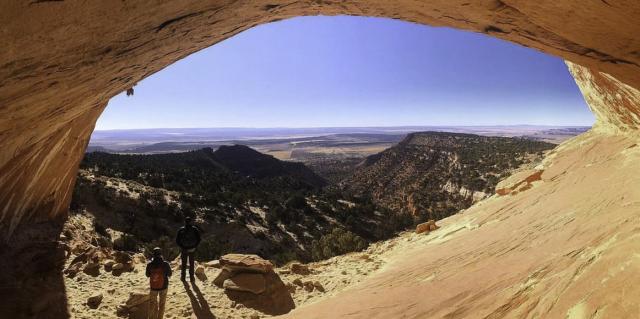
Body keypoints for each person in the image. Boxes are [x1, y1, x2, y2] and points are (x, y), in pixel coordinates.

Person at [146, 247, 172, 319]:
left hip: (153, 287)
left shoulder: (149, 264)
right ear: (161, 254)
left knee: (152, 304)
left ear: (153, 255)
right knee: (162, 304)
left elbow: (147, 275)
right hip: (164, 286)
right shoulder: (165, 264)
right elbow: (170, 274)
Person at [175, 217, 201, 281]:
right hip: (192, 248)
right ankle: (192, 277)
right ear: (190, 222)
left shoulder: (181, 229)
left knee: (184, 263)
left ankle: (183, 277)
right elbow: (199, 239)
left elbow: (177, 240)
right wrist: (195, 246)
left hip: (184, 249)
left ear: (185, 222)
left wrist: (182, 246)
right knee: (191, 263)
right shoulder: (194, 229)